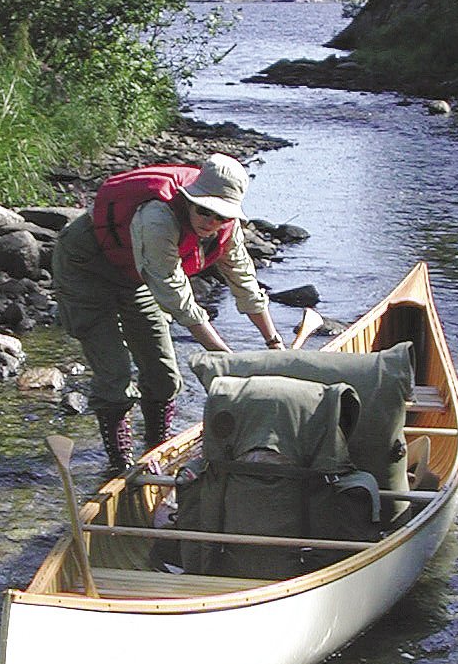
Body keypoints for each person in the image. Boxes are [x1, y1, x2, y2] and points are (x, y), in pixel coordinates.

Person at [51, 152, 284, 472]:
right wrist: (227, 359)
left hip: (135, 275)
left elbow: (245, 285)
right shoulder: (157, 218)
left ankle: (157, 449)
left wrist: (274, 343)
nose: (210, 222)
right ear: (189, 200)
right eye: (204, 210)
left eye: (221, 216)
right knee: (115, 375)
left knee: (163, 374)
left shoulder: (227, 232)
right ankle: (120, 465)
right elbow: (180, 302)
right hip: (87, 267)